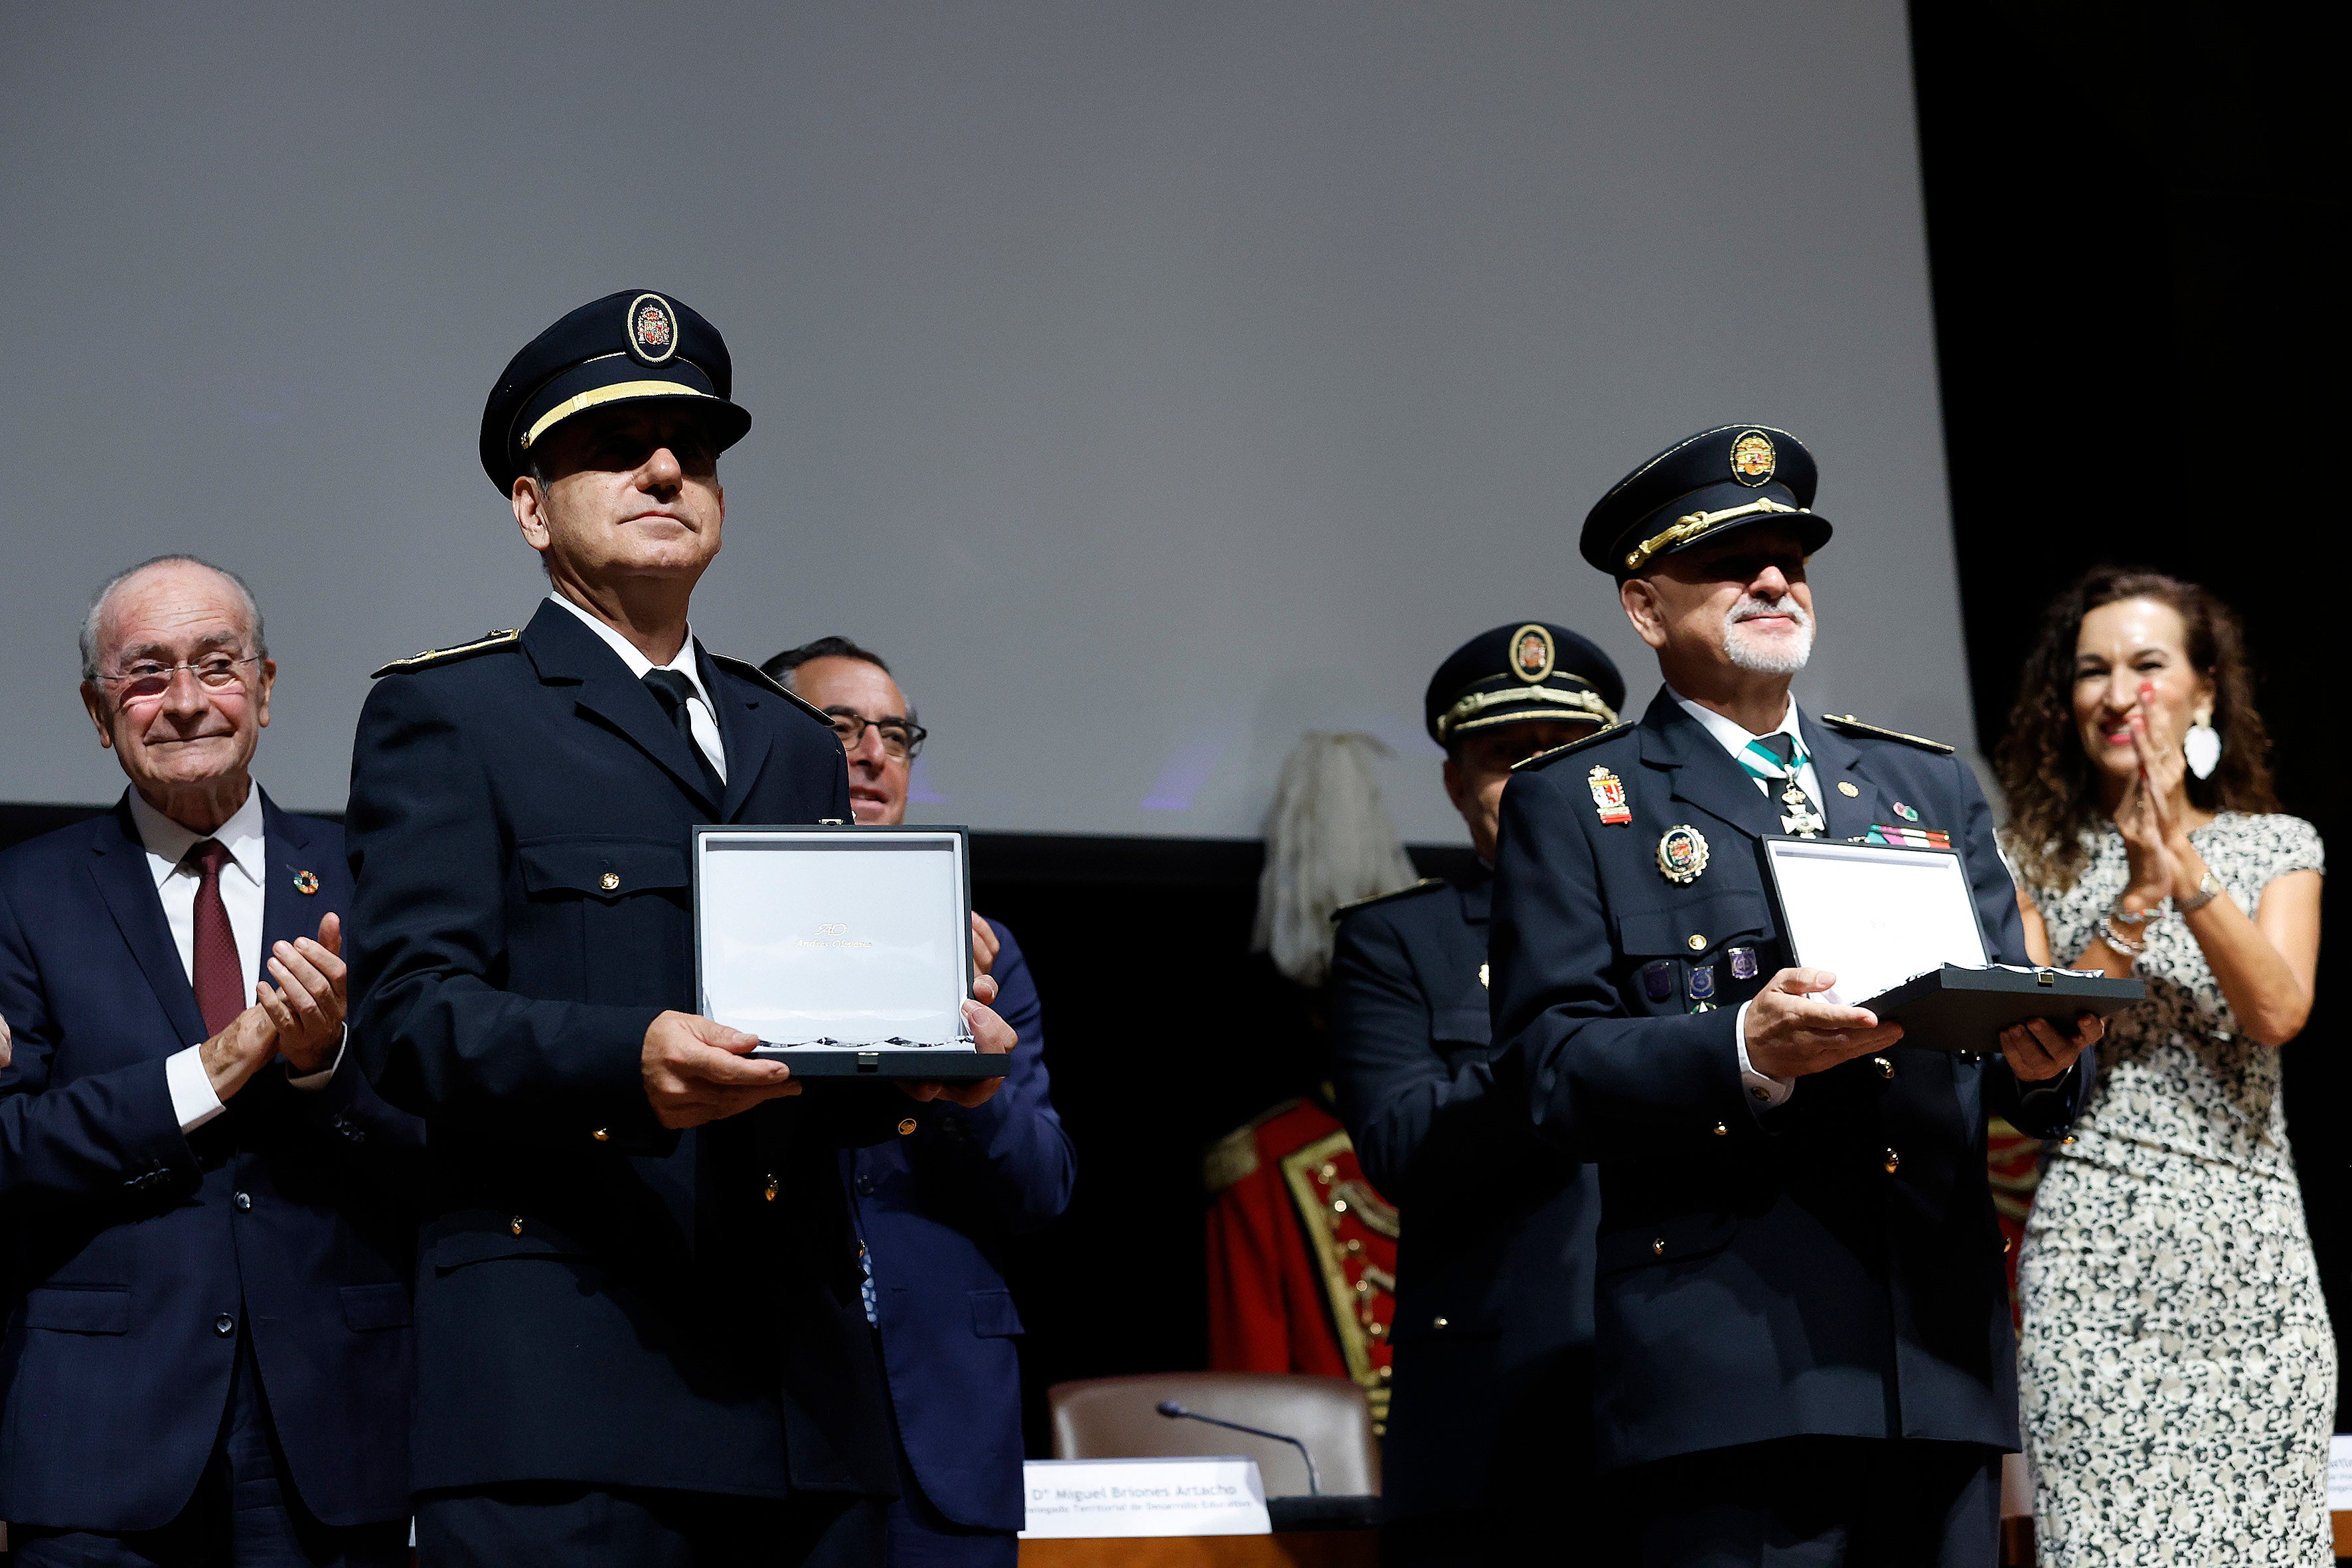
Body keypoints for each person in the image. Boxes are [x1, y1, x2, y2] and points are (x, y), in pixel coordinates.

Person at [345, 291, 1016, 1568]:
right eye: (619, 445)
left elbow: (809, 1053)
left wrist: (919, 1063)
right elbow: (407, 1016)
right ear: (531, 507)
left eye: (695, 451)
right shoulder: (455, 715)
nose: (667, 469)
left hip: (797, 1405)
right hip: (569, 1391)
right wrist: (629, 1061)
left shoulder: (784, 736)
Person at [1487, 425, 2105, 1565]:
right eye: (1732, 560)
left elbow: (2009, 1046)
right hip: (1728, 1367)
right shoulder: (1581, 800)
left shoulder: (1923, 782)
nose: (1775, 580)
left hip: (1935, 1364)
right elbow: (1548, 1071)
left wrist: (2047, 1059)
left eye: (1793, 560)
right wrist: (1746, 1050)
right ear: (1642, 605)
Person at [0, 555, 420, 1566]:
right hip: (97, 1439)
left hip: (338, 1427)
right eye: (145, 674)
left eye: (216, 665)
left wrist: (325, 1067)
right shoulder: (21, 893)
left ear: (265, 690)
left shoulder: (375, 880)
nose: (185, 701)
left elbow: (446, 1140)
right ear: (100, 714)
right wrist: (199, 1075)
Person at [1997, 568, 2330, 1564]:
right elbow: (2042, 1043)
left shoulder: (2278, 844)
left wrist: (2185, 872)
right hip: (2090, 1284)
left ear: (2205, 690)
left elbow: (2275, 1010)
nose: (2116, 692)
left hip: (2254, 1283)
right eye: (2092, 671)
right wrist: (2135, 899)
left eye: (2147, 664)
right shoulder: (2028, 858)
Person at [760, 635, 1076, 1568]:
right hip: (772, 1416)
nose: (873, 754)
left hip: (945, 1431)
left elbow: (1042, 1185)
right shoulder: (720, 941)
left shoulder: (985, 949)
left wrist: (968, 1091)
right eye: (841, 727)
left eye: (896, 734)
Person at [1328, 622, 1622, 1566]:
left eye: (1562, 754)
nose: (1536, 782)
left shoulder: (1684, 929)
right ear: (1457, 784)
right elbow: (1403, 1142)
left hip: (1680, 1390)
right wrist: (1558, 1049)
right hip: (1492, 1415)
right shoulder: (1397, 942)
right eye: (1505, 757)